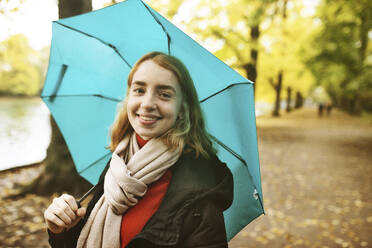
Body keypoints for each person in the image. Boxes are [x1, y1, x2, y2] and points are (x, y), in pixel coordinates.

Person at [44, 51, 234, 248]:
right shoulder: (119, 160)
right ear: (128, 97)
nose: (147, 104)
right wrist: (63, 232)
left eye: (164, 94)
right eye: (139, 90)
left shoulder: (201, 188)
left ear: (183, 109)